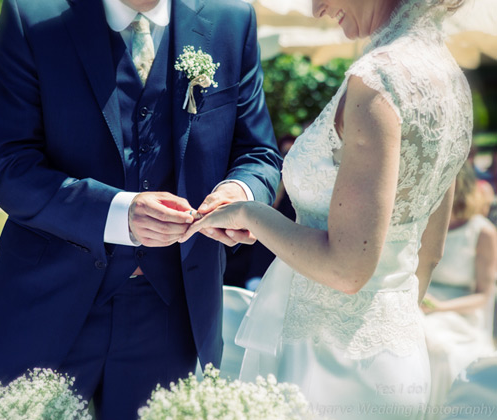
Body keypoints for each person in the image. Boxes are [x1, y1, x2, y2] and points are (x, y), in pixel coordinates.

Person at [0, 0, 282, 418]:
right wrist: (118, 213)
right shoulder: (33, 15)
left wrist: (240, 192)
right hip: (46, 309)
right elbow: (8, 165)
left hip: (175, 318)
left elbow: (258, 152)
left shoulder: (232, 19)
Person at [180, 0, 473, 418]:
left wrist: (249, 215)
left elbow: (346, 270)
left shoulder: (380, 79)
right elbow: (430, 251)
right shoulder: (449, 79)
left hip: (326, 364)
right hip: (397, 354)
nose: (316, 8)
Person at [422, 163, 497, 413]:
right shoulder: (426, 222)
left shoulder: (483, 232)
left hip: (460, 312)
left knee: (437, 348)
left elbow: (484, 295)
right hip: (423, 301)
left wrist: (441, 307)